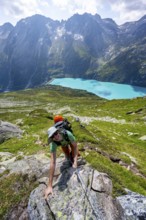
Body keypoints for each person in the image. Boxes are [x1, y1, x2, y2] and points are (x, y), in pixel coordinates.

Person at [44, 126, 78, 198]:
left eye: (56, 133)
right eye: (53, 136)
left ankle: (72, 158)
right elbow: (52, 162)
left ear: (58, 131)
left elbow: (75, 147)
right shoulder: (53, 143)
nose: (55, 136)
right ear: (52, 138)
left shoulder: (68, 134)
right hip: (63, 143)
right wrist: (50, 185)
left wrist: (75, 162)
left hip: (69, 141)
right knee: (66, 152)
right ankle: (68, 157)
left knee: (73, 151)